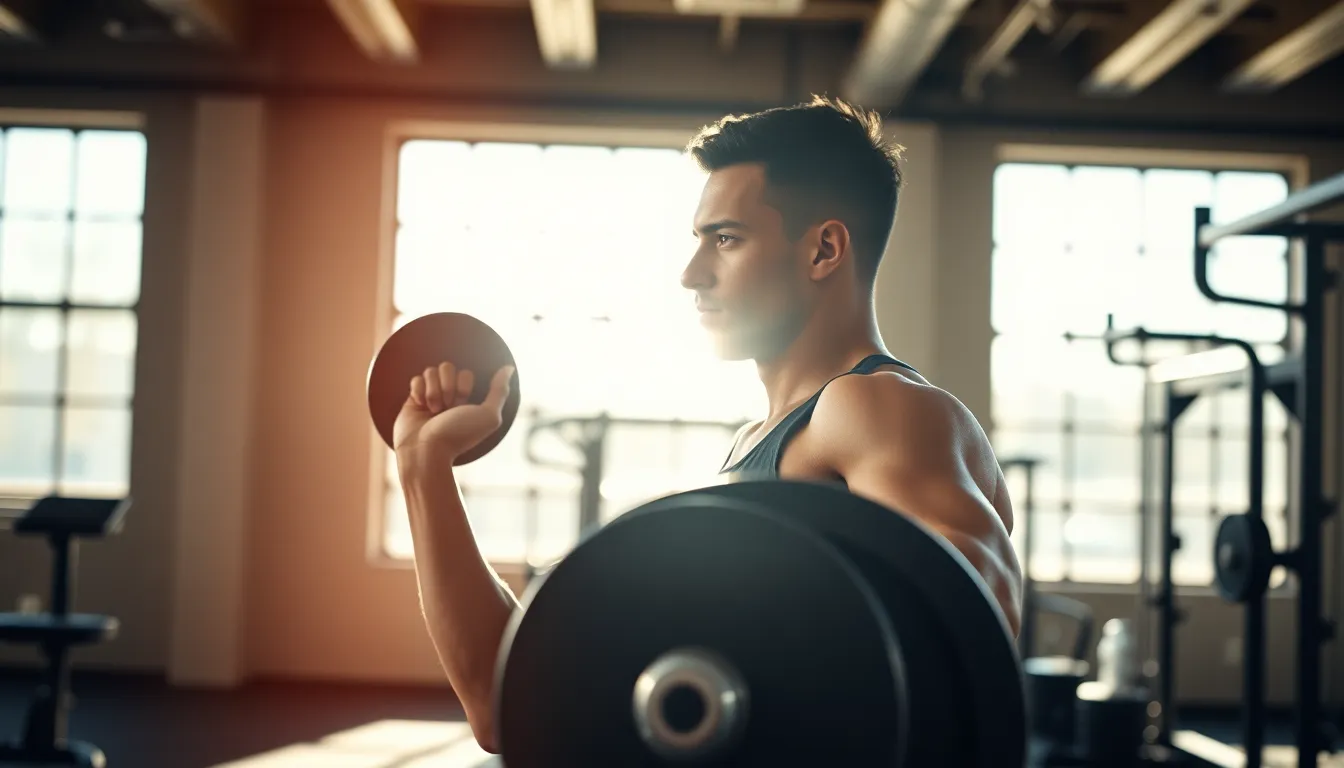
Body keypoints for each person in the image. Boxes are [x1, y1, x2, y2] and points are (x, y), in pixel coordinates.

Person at [391, 95, 1023, 754]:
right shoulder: (759, 444)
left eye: (726, 238)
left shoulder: (871, 407)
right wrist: (422, 467)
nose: (691, 274)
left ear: (824, 249)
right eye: (699, 240)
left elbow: (980, 626)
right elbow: (506, 702)